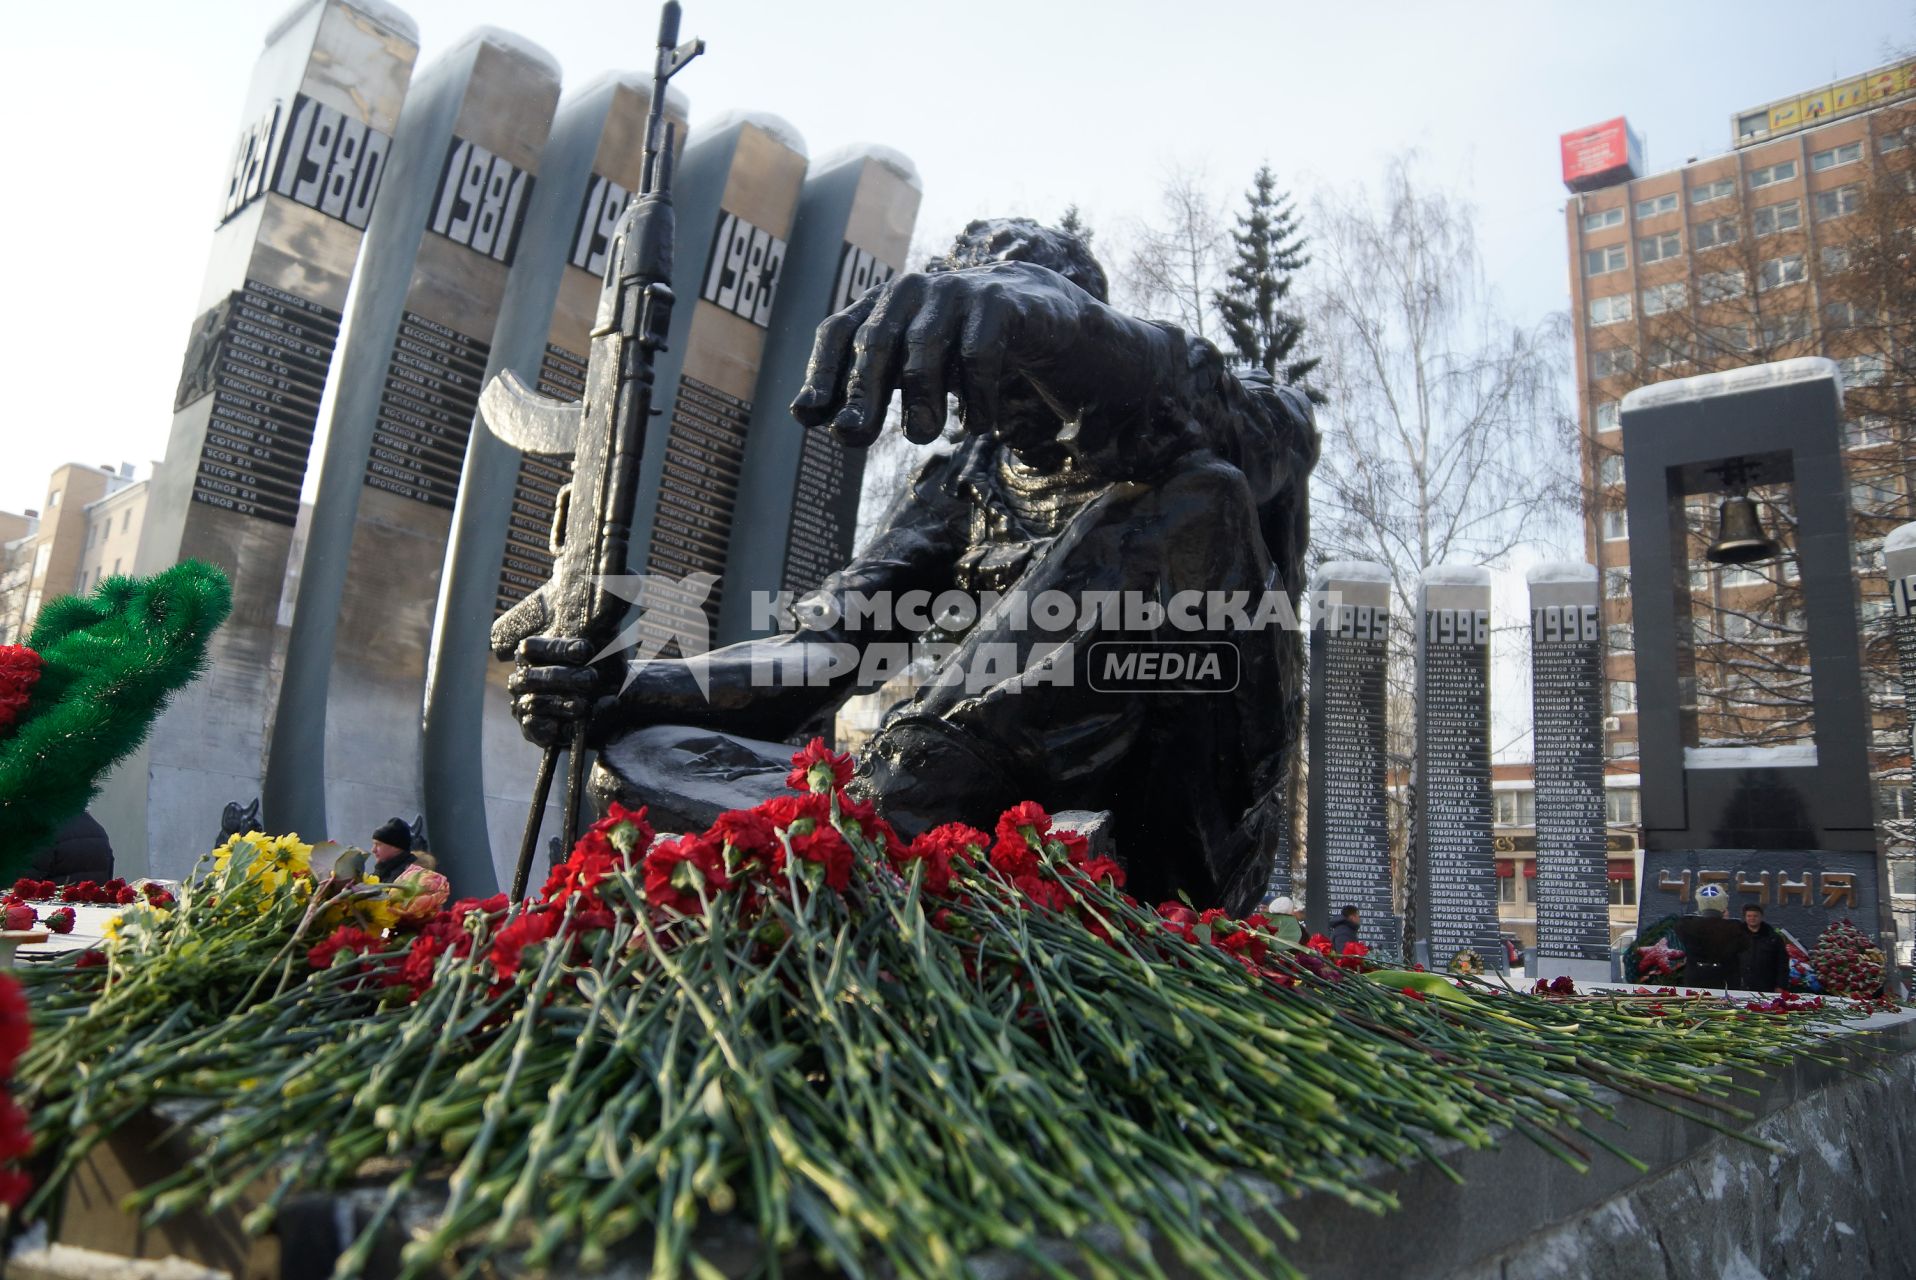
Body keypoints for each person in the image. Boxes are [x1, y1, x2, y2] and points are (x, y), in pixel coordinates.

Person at [508, 218, 1320, 915]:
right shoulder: (970, 477)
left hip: (1176, 820)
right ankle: (891, 805)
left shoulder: (1227, 414)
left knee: (1202, 492)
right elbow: (828, 650)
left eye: (1021, 345)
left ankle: (898, 800)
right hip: (977, 792)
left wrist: (1069, 334)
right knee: (650, 738)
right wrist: (633, 687)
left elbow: (1257, 437)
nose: (999, 390)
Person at [1673, 883, 1747, 988]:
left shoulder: (1685, 924)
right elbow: (1744, 946)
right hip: (1725, 978)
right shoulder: (1736, 928)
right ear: (1723, 904)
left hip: (1696, 975)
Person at [24, 810, 114, 885]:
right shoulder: (95, 827)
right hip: (90, 902)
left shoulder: (40, 828)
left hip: (52, 903)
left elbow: (23, 884)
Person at [1735, 904, 1790, 993]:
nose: (1752, 918)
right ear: (1745, 917)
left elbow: (1782, 963)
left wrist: (1781, 985)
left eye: (1755, 916)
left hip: (1767, 986)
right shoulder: (1737, 936)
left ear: (1761, 917)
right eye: (1749, 916)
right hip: (1741, 985)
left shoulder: (1773, 938)